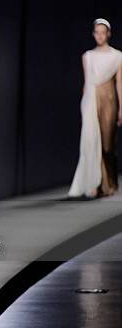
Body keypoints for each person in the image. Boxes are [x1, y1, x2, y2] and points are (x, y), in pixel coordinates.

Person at [69, 18, 122, 198]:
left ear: (108, 34)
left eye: (102, 32)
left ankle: (111, 182)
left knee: (107, 144)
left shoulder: (117, 56)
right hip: (91, 100)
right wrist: (84, 104)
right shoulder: (88, 56)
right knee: (92, 141)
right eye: (96, 32)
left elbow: (119, 84)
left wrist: (121, 108)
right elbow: (87, 82)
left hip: (109, 100)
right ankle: (97, 184)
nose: (99, 36)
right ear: (93, 35)